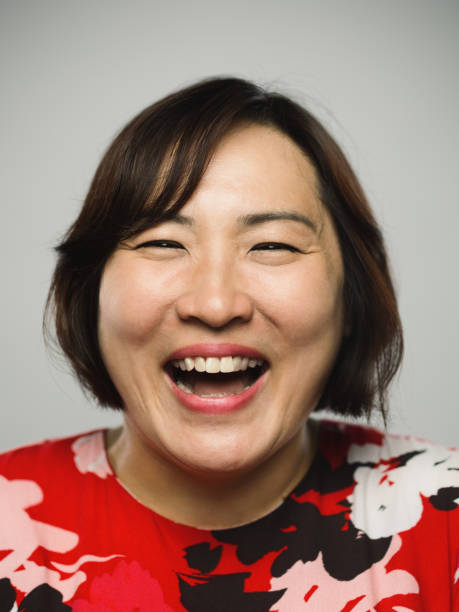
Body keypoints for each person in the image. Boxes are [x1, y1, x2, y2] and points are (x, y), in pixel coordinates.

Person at [0, 77, 457, 611]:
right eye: (164, 243)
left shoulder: (445, 519)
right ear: (90, 293)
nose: (215, 305)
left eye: (272, 245)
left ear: (350, 298)